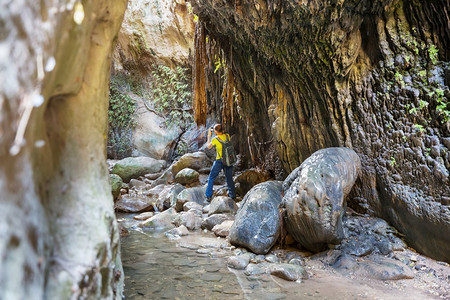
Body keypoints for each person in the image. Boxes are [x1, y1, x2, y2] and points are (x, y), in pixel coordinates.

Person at [205, 124, 236, 201]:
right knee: (229, 178)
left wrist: (209, 136)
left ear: (215, 131)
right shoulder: (227, 136)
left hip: (219, 161)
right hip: (228, 160)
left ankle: (208, 196)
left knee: (211, 177)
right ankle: (233, 195)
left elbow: (208, 146)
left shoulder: (215, 139)